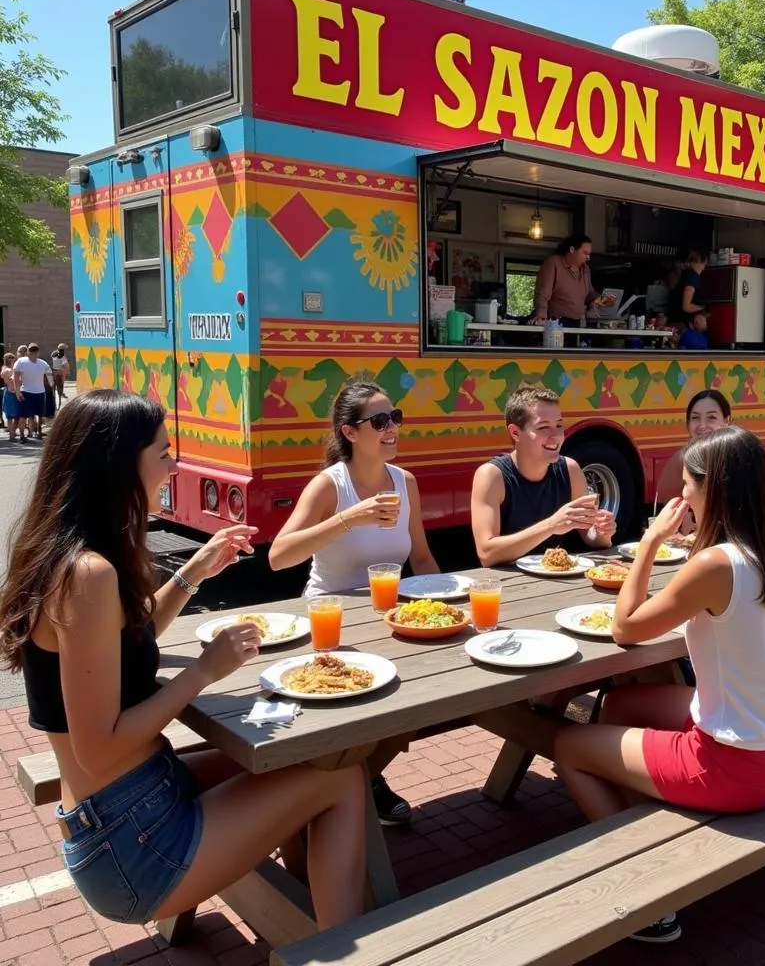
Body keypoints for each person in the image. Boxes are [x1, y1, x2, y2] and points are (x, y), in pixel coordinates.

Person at [0, 390, 365, 931]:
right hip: (131, 842)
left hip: (133, 804)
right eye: (165, 453)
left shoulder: (68, 553)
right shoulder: (88, 575)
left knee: (294, 756)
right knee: (343, 780)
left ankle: (312, 910)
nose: (176, 466)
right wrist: (203, 672)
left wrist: (193, 573)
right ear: (120, 466)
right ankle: (343, 944)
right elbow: (99, 751)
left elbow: (126, 643)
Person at [553, 427, 765, 943]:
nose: (682, 497)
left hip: (736, 768)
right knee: (619, 702)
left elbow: (624, 627)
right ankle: (646, 807)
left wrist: (651, 541)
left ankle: (647, 889)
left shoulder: (714, 563)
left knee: (567, 743)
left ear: (715, 489)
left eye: (688, 486)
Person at [269, 381, 439, 826]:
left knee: (431, 691)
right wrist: (349, 518)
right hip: (331, 622)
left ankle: (365, 772)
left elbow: (420, 557)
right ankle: (345, 785)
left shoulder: (406, 483)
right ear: (350, 432)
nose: (392, 428)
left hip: (388, 619)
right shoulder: (331, 485)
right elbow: (278, 555)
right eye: (380, 421)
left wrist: (448, 601)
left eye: (395, 417)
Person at [471, 383, 617, 567]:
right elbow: (487, 553)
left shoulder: (570, 469)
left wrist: (602, 532)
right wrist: (552, 525)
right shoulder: (492, 476)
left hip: (558, 581)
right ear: (515, 433)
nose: (556, 436)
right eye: (543, 427)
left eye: (559, 425)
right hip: (506, 586)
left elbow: (591, 538)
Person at [655, 390, 732, 505]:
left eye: (711, 417)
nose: (702, 426)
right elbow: (663, 508)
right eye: (695, 418)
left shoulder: (737, 457)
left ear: (727, 421)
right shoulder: (681, 460)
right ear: (688, 423)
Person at [529, 233, 598, 326]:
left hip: (580, 323)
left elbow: (590, 294)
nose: (588, 257)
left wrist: (603, 299)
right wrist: (541, 317)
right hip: (557, 323)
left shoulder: (586, 270)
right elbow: (542, 294)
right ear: (572, 250)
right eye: (585, 253)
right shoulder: (553, 263)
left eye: (589, 254)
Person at [13, 343, 53, 440]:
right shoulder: (21, 362)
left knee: (37, 414)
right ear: (28, 352)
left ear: (38, 352)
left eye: (34, 350)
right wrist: (17, 391)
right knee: (24, 415)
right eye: (32, 350)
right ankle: (24, 435)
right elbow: (16, 377)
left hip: (37, 392)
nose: (33, 352)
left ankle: (37, 432)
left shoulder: (42, 363)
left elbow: (49, 375)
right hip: (27, 391)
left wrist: (51, 385)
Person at [678, 250, 708, 318]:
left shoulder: (687, 274)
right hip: (682, 321)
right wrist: (703, 309)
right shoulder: (692, 278)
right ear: (704, 262)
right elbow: (686, 307)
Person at [2, 353, 23, 442]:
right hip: (13, 394)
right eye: (12, 358)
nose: (13, 360)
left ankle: (12, 434)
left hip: (10, 393)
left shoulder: (5, 369)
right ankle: (12, 435)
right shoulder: (9, 370)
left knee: (12, 416)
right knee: (13, 416)